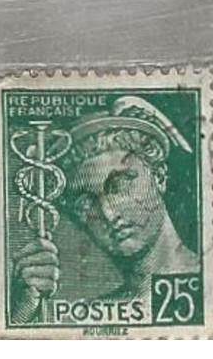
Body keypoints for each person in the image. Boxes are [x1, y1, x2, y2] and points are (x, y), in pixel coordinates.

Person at [11, 96, 200, 325]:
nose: (108, 215)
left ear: (159, 177)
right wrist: (24, 309)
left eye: (119, 185)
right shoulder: (90, 318)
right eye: (86, 202)